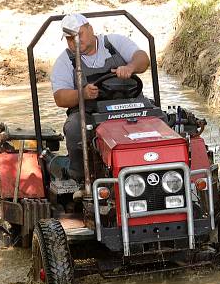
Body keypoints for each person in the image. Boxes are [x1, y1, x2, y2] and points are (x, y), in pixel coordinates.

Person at [50, 14, 151, 185]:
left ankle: (162, 167)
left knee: (160, 118)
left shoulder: (114, 43)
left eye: (78, 35)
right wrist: (81, 94)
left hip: (130, 107)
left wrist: (130, 67)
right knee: (74, 127)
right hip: (91, 114)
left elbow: (143, 58)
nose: (75, 41)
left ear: (90, 29)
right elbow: (60, 97)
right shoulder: (65, 61)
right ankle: (82, 181)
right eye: (69, 38)